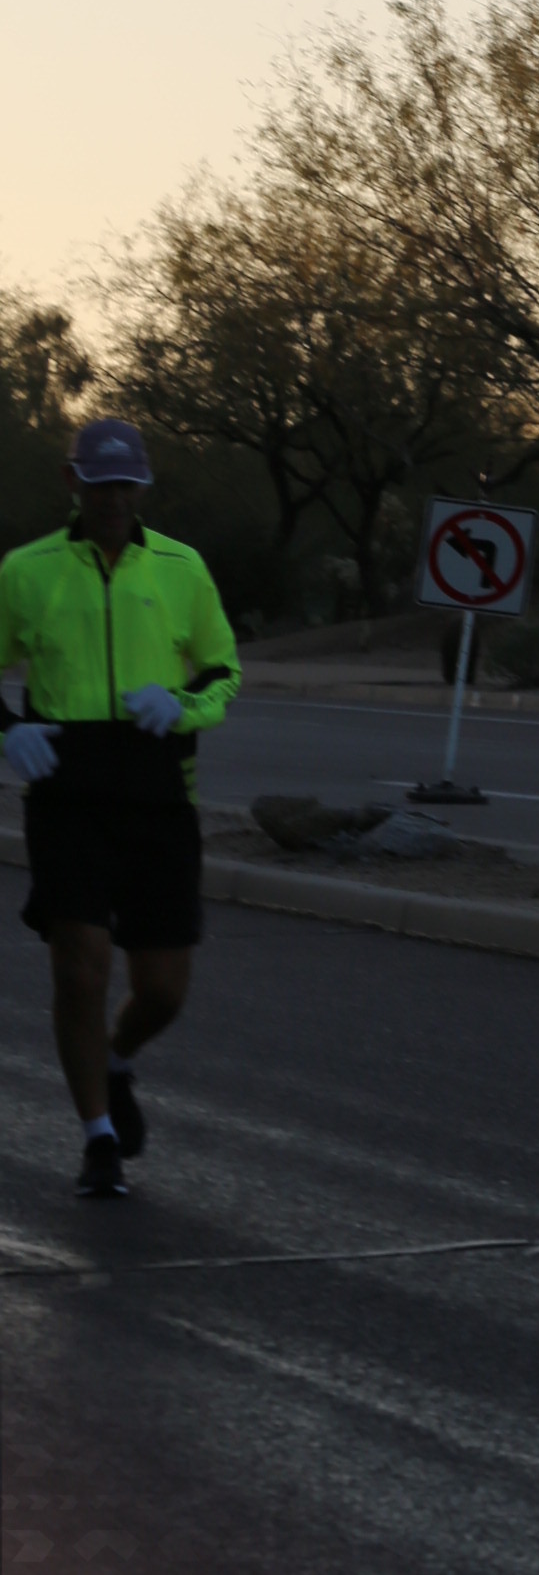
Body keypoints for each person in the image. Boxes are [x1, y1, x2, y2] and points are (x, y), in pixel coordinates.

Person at [0, 420, 241, 1198]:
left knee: (163, 990)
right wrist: (7, 730)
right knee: (81, 967)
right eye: (99, 483)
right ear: (73, 482)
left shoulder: (181, 566)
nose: (113, 498)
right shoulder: (26, 570)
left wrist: (183, 707)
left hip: (159, 797)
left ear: (142, 487)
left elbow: (223, 672)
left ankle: (116, 1059)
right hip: (66, 798)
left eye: (125, 484)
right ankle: (98, 1140)